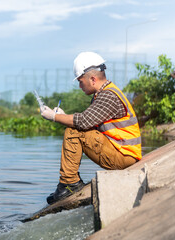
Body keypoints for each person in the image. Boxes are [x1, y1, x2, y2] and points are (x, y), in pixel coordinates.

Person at [40, 52, 142, 205]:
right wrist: (64, 115)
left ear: (93, 79)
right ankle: (69, 183)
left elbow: (82, 122)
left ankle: (69, 183)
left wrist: (54, 117)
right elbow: (89, 122)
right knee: (75, 129)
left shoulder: (108, 96)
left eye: (81, 81)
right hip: (122, 152)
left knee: (73, 132)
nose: (80, 86)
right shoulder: (103, 93)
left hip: (124, 156)